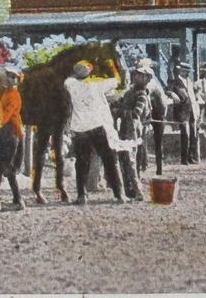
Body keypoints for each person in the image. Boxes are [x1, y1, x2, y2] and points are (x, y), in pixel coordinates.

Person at [64, 59, 124, 205]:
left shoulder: (70, 84)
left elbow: (68, 80)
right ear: (90, 73)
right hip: (97, 126)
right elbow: (117, 80)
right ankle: (119, 194)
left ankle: (81, 195)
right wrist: (112, 66)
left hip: (80, 129)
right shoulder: (97, 85)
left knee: (82, 163)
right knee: (109, 160)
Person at [112, 58, 155, 201]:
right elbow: (120, 103)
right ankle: (129, 190)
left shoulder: (142, 94)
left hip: (133, 128)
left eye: (140, 75)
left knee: (130, 161)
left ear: (147, 79)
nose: (136, 77)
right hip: (124, 127)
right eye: (136, 74)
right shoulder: (130, 91)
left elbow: (137, 113)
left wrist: (120, 111)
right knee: (124, 159)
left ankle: (138, 191)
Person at [0, 67, 25, 212]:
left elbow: (5, 116)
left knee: (2, 167)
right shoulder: (8, 93)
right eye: (8, 76)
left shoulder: (13, 95)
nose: (7, 78)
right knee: (4, 167)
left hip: (11, 132)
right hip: (8, 131)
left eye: (11, 77)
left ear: (16, 81)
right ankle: (15, 200)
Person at [168, 60, 198, 164]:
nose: (186, 73)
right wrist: (172, 94)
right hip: (182, 112)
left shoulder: (190, 82)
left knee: (193, 134)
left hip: (192, 110)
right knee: (186, 134)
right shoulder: (175, 81)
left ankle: (191, 157)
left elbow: (193, 94)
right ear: (180, 71)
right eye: (185, 71)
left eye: (187, 71)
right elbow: (168, 90)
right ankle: (184, 159)